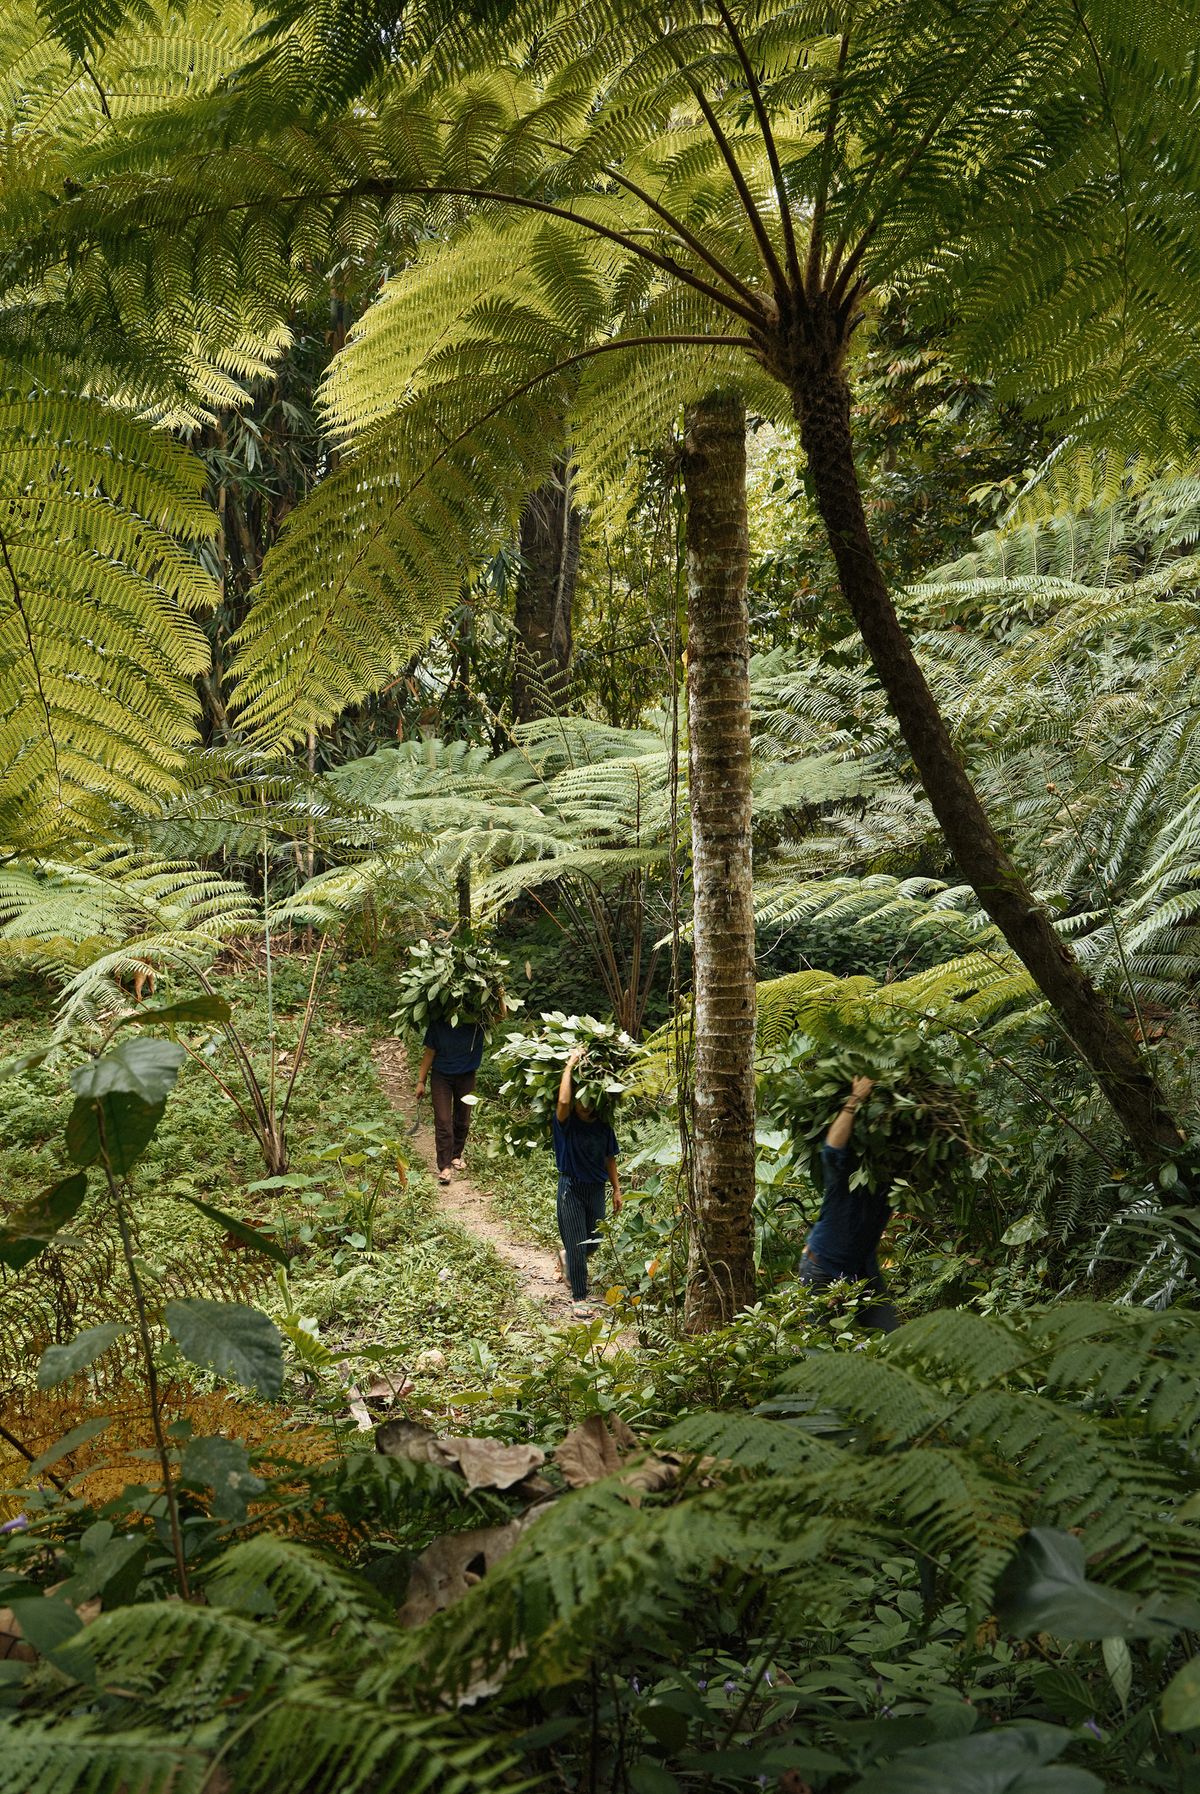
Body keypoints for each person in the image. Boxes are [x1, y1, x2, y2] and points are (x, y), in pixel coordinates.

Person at [798, 1075, 899, 1332]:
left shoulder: (894, 1182)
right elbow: (832, 1146)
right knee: (823, 1344)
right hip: (822, 1268)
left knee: (890, 1337)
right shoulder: (846, 1174)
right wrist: (855, 1099)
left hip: (862, 1270)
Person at [552, 1046, 622, 1319]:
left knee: (594, 1242)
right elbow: (562, 1102)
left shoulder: (603, 1126)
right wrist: (569, 1066)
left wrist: (617, 1189)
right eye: (580, 1098)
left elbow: (610, 1158)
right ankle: (579, 1297)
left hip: (596, 1189)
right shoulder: (565, 1123)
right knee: (579, 1245)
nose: (584, 1104)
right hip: (571, 1188)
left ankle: (568, 1257)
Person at [415, 1017, 485, 1184]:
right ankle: (445, 1166)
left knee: (463, 1120)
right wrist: (421, 1082)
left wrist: (500, 992)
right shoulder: (438, 1022)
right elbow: (429, 1053)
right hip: (441, 1077)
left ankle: (455, 1155)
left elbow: (501, 1016)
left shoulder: (476, 1021)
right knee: (443, 1120)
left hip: (467, 1076)